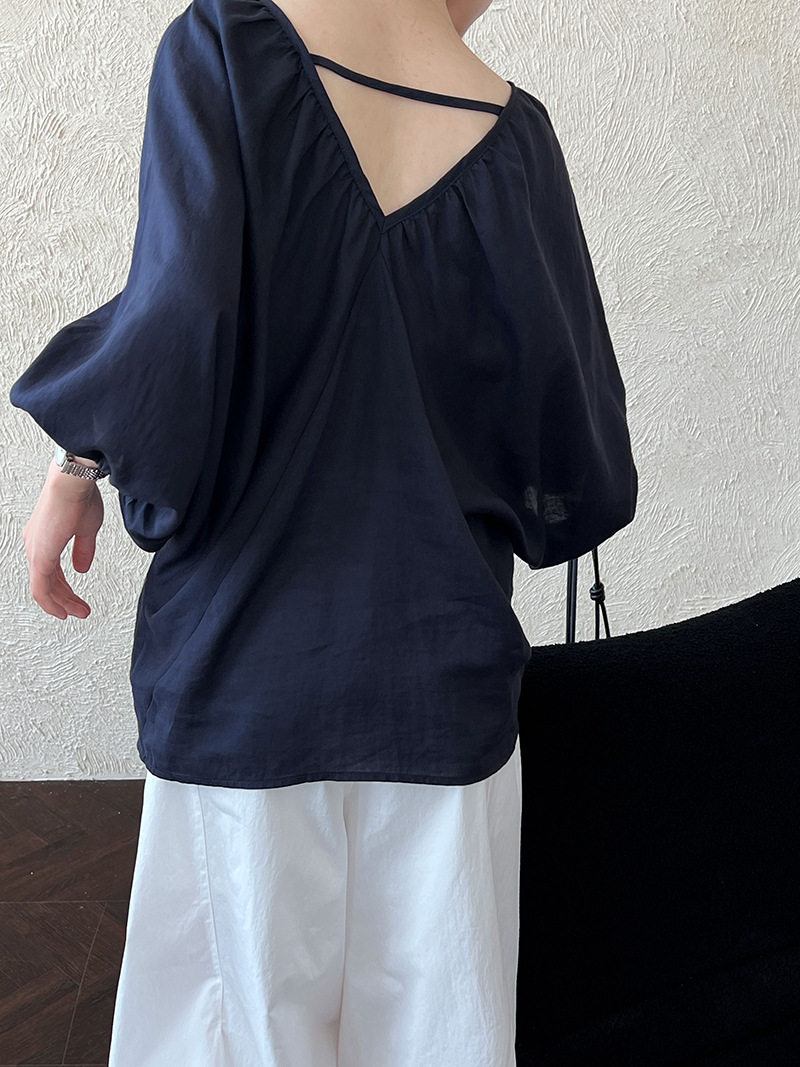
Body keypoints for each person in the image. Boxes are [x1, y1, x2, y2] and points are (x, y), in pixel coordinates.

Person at [9, 0, 638, 1063]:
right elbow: (573, 453)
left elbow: (175, 331)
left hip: (243, 674)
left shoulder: (223, 45)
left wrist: (79, 458)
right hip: (443, 688)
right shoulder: (515, 136)